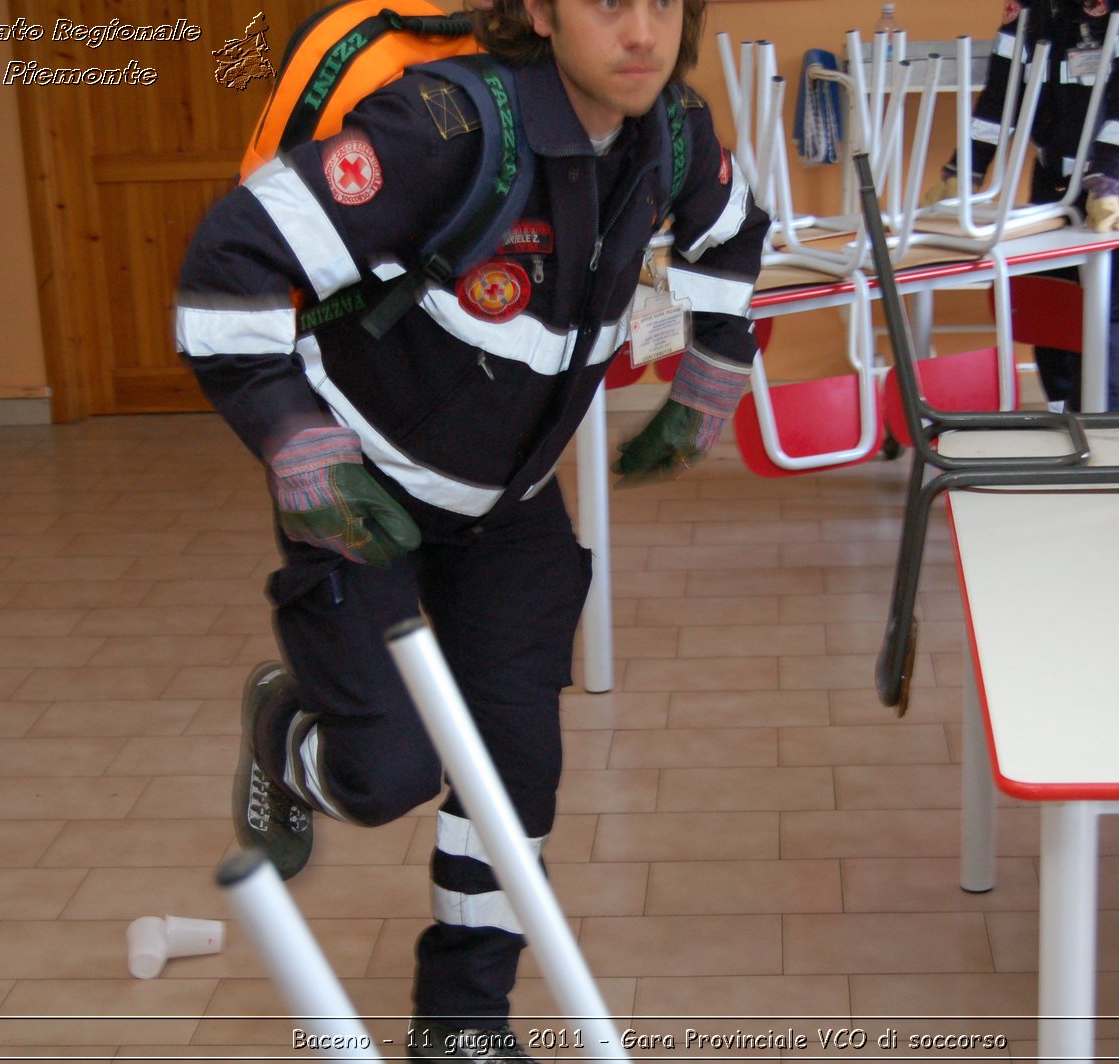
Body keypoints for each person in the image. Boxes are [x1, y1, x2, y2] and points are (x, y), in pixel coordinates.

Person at [172, 0, 768, 1057]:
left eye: (666, 3)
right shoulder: (442, 130)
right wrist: (296, 442)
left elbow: (733, 233)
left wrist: (707, 380)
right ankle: (290, 733)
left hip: (511, 512)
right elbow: (231, 264)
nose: (643, 33)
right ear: (537, 10)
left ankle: (460, 1021)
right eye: (606, 2)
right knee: (387, 775)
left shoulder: (673, 133)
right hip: (367, 498)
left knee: (511, 776)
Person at [924, 0, 1119, 412]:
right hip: (1056, 178)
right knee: (1051, 306)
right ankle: (1062, 422)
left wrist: (1108, 180)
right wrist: (965, 170)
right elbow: (1002, 89)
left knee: (1110, 312)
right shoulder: (1031, 5)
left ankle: (1101, 431)